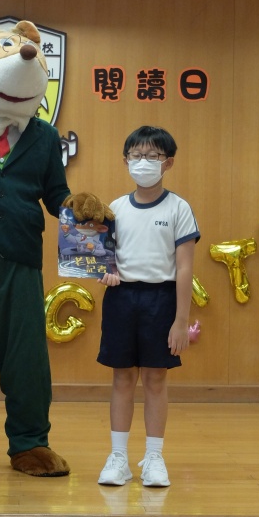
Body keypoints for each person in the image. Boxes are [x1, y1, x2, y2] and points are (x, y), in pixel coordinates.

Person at [97, 126, 199, 487]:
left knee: (156, 378)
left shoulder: (179, 208)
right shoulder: (115, 209)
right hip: (121, 300)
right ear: (125, 160)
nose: (143, 162)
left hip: (161, 300)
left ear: (167, 162)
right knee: (122, 377)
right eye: (136, 155)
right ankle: (118, 458)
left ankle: (154, 457)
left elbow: (184, 268)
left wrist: (181, 320)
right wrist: (106, 272)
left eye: (152, 156)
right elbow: (105, 259)